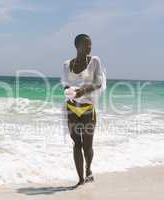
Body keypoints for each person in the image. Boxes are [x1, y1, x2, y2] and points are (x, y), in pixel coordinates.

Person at [61, 34, 106, 187]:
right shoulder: (67, 64)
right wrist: (70, 91)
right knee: (76, 143)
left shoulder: (94, 61)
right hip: (71, 108)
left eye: (90, 45)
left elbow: (99, 83)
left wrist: (84, 90)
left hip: (87, 109)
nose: (89, 47)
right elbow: (65, 85)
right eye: (86, 44)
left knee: (87, 146)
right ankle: (80, 179)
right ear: (77, 46)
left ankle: (88, 169)